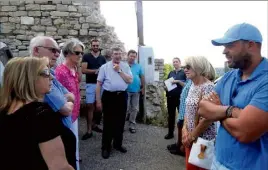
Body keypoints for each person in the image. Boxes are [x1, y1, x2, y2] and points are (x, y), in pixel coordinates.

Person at [198, 23, 268, 170]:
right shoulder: (229, 76)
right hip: (217, 160)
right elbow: (203, 108)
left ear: (251, 45)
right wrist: (230, 110)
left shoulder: (265, 81)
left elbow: (244, 132)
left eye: (230, 45)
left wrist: (217, 111)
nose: (224, 51)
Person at [0, 57, 75, 170]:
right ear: (28, 78)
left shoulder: (5, 110)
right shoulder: (40, 114)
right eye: (46, 73)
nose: (52, 77)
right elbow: (59, 167)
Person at [29, 36, 77, 168]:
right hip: (55, 137)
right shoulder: (37, 75)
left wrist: (66, 98)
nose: (57, 54)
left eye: (58, 50)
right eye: (52, 50)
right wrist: (67, 99)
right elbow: (66, 109)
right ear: (36, 50)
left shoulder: (49, 71)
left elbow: (70, 95)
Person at [96, 47, 133, 159]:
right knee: (108, 122)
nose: (117, 56)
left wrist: (119, 71)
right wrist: (98, 101)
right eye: (115, 54)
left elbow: (130, 80)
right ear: (111, 55)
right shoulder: (104, 67)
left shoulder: (125, 66)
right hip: (109, 96)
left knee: (120, 121)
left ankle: (117, 144)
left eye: (119, 54)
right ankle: (106, 147)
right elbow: (98, 84)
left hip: (122, 96)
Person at [182, 56, 216, 170]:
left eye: (188, 67)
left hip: (202, 140)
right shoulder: (192, 85)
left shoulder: (209, 87)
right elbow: (188, 110)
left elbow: (208, 118)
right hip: (190, 138)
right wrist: (184, 130)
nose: (185, 70)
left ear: (199, 67)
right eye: (184, 67)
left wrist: (192, 136)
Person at [55, 38, 84, 170]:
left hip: (74, 113)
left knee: (74, 143)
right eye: (77, 52)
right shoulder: (61, 72)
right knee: (69, 145)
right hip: (66, 115)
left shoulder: (73, 69)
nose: (80, 55)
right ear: (67, 53)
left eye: (81, 53)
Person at [81, 39, 106, 140]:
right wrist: (96, 71)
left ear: (99, 46)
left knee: (99, 107)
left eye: (97, 46)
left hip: (101, 85)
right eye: (94, 45)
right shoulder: (86, 56)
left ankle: (95, 125)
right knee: (90, 106)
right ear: (91, 46)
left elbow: (105, 71)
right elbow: (83, 70)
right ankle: (89, 130)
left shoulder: (102, 58)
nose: (95, 47)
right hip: (90, 84)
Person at [164, 57, 186, 139]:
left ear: (180, 63)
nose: (175, 63)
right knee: (171, 116)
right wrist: (166, 87)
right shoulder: (171, 73)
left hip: (180, 98)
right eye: (174, 62)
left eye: (176, 62)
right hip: (170, 97)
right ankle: (170, 133)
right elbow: (167, 84)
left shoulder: (184, 72)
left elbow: (186, 85)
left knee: (182, 117)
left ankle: (183, 136)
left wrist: (177, 81)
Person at [126, 49, 145, 133]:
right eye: (131, 56)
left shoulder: (138, 66)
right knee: (125, 109)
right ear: (128, 56)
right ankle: (121, 125)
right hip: (125, 91)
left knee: (134, 109)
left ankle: (132, 125)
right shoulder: (123, 65)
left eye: (134, 56)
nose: (133, 58)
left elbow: (142, 77)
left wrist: (143, 88)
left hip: (136, 91)